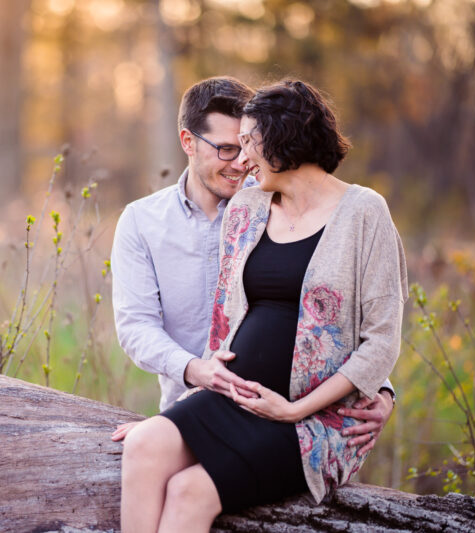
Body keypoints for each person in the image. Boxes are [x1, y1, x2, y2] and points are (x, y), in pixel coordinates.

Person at [118, 79, 408, 531]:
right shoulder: (245, 208)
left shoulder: (365, 212)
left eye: (248, 143)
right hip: (232, 398)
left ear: (280, 138)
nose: (242, 161)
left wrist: (374, 392)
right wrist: (183, 408)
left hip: (310, 420)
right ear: (189, 142)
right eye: (229, 148)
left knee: (189, 492)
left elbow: (375, 336)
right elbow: (224, 322)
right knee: (142, 446)